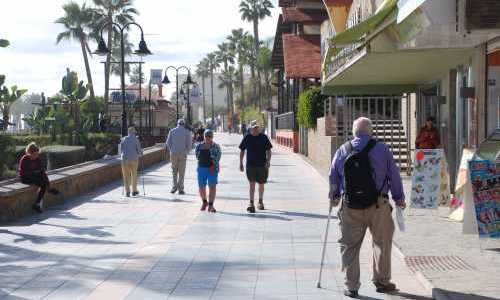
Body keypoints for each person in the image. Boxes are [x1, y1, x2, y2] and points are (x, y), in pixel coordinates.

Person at [329, 117, 406, 298]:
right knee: (382, 243)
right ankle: (382, 281)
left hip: (350, 207)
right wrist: (399, 198)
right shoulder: (382, 149)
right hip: (378, 205)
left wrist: (334, 196)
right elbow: (394, 175)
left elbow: (333, 176)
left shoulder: (343, 150)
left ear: (354, 132)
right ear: (370, 131)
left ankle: (352, 286)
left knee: (350, 246)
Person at [239, 120, 272, 213]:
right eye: (254, 128)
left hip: (262, 165)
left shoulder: (264, 137)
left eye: (257, 127)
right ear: (251, 128)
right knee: (252, 184)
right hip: (250, 165)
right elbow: (242, 150)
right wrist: (240, 163)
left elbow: (269, 151)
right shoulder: (247, 137)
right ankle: (251, 203)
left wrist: (268, 161)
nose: (256, 129)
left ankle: (260, 202)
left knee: (261, 184)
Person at [18, 142, 59, 213]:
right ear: (29, 153)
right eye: (35, 154)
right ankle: (48, 190)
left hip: (35, 176)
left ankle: (38, 202)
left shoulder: (37, 159)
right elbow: (24, 172)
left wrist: (48, 183)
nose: (36, 156)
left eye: (37, 154)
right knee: (42, 183)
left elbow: (42, 172)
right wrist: (35, 173)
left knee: (43, 177)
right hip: (25, 177)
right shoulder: (25, 159)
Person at [195, 129, 222, 213]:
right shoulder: (199, 146)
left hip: (212, 169)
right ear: (204, 136)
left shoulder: (216, 146)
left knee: (212, 186)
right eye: (206, 136)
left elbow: (218, 157)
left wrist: (214, 164)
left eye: (209, 136)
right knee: (201, 186)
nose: (208, 138)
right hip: (201, 168)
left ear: (212, 137)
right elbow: (197, 156)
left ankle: (211, 205)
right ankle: (204, 202)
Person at [166, 119, 192, 194]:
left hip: (173, 153)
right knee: (181, 171)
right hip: (183, 153)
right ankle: (181, 188)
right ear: (183, 124)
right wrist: (187, 151)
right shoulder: (187, 132)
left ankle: (174, 187)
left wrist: (172, 149)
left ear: (177, 124)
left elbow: (168, 143)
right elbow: (189, 144)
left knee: (174, 171)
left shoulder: (172, 131)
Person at [120, 127, 143, 197]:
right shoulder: (136, 139)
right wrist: (141, 153)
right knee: (134, 175)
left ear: (128, 132)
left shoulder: (123, 139)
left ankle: (127, 192)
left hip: (124, 159)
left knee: (126, 176)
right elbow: (139, 150)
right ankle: (134, 190)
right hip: (134, 159)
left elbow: (121, 150)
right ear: (133, 132)